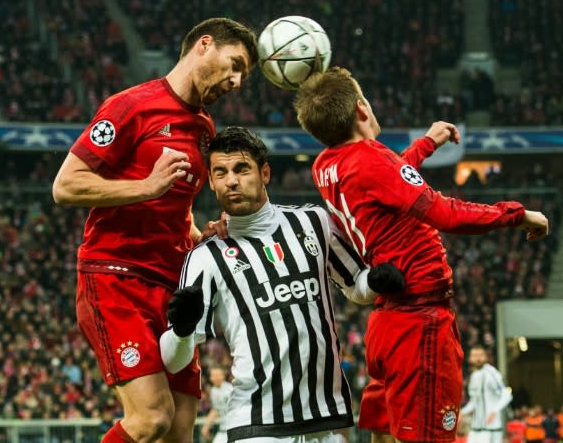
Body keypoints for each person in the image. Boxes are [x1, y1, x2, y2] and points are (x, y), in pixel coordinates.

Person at [293, 66, 550, 443]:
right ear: (362, 108)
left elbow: (385, 182)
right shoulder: (372, 161)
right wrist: (516, 214)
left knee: (383, 434)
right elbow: (444, 213)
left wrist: (426, 144)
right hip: (420, 320)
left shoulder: (325, 166)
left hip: (387, 323)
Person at [51, 18, 258, 443]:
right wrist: (145, 187)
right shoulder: (130, 106)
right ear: (204, 45)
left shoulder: (204, 128)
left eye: (243, 75)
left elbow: (177, 210)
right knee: (151, 420)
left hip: (174, 291)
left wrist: (205, 236)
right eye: (234, 64)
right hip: (117, 277)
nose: (237, 81)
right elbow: (66, 185)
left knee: (180, 433)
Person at [159, 126, 405, 442]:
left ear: (265, 173)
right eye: (220, 172)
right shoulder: (205, 257)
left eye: (241, 169)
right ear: (211, 182)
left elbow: (355, 288)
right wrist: (180, 330)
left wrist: (375, 279)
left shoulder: (314, 222)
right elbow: (174, 361)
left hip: (326, 423)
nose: (231, 180)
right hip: (257, 426)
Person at [461, 344, 513, 443]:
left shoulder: (492, 373)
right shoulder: (474, 376)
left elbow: (507, 395)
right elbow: (474, 402)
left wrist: (494, 411)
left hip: (491, 429)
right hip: (476, 428)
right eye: (475, 355)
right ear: (470, 358)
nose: (478, 358)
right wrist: (461, 412)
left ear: (486, 356)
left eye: (480, 355)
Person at [202, 365, 234, 443]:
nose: (215, 377)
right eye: (213, 375)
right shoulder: (213, 391)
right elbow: (215, 410)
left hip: (234, 428)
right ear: (210, 378)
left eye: (218, 375)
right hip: (223, 429)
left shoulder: (230, 389)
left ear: (223, 376)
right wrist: (206, 426)